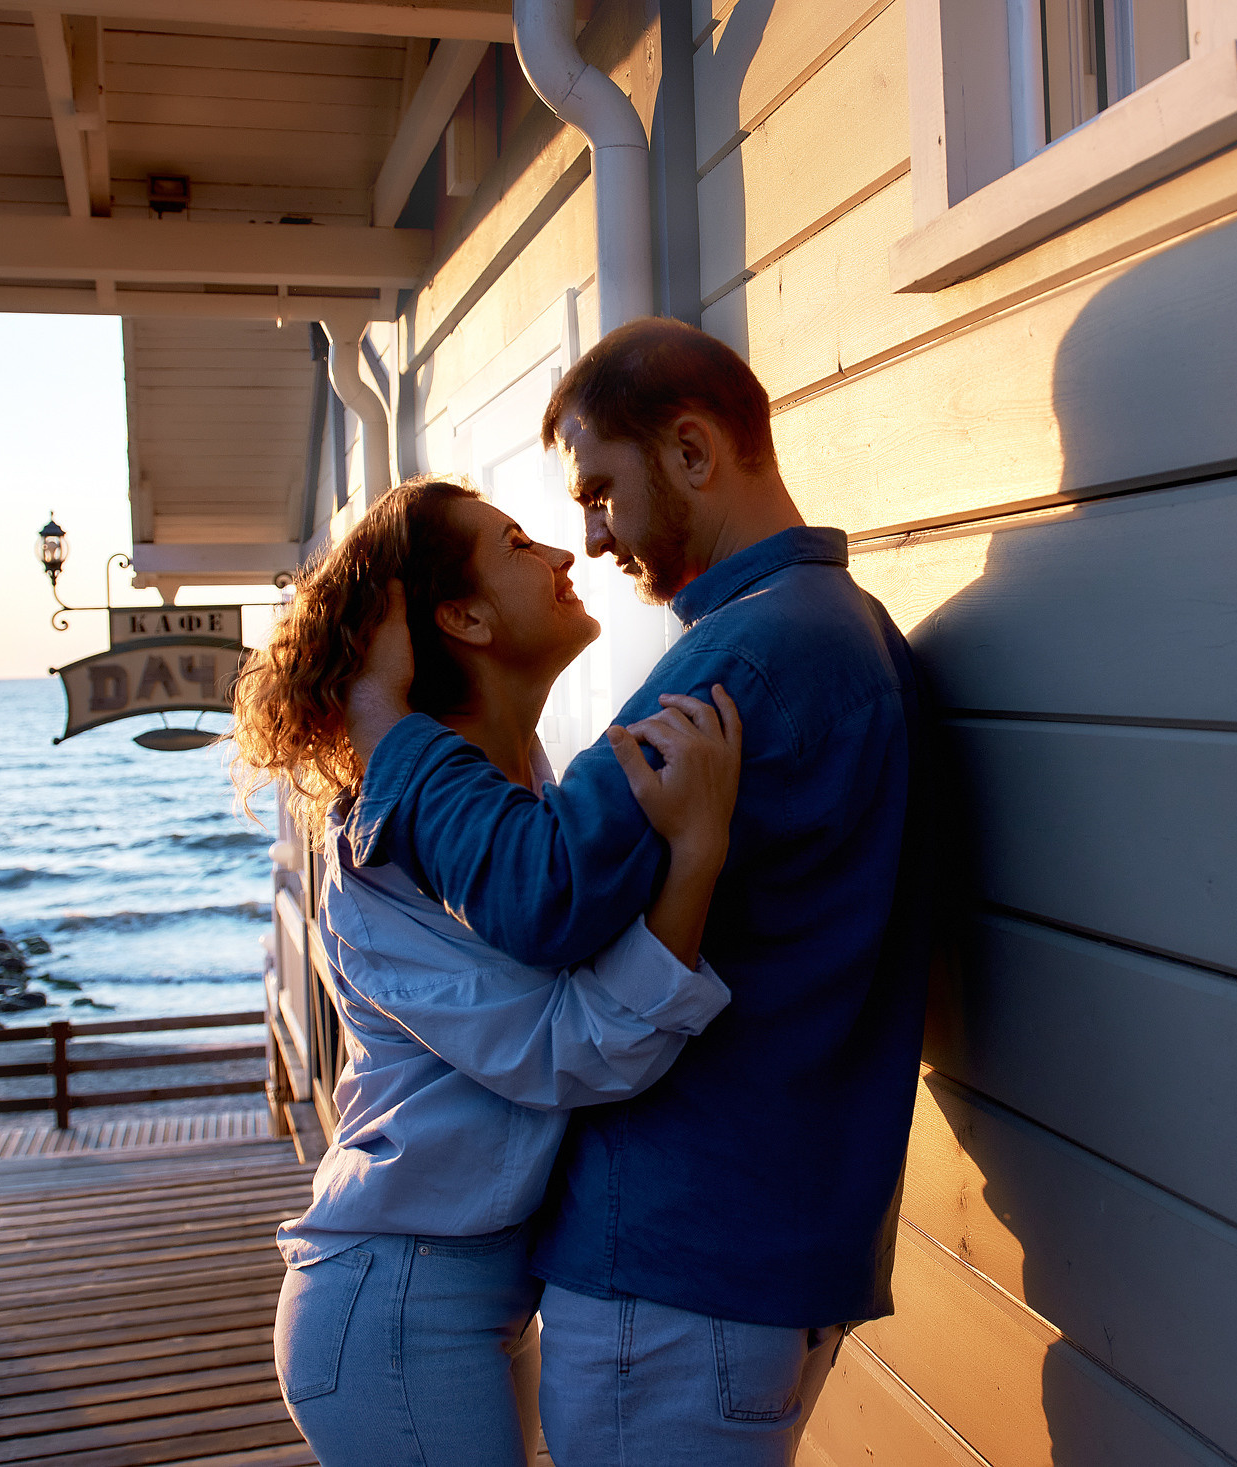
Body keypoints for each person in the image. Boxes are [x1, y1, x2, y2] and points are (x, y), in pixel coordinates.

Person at [340, 319, 929, 1465]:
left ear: (695, 454)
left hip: (685, 1259)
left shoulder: (744, 659)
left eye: (601, 493)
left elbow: (541, 889)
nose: (591, 537)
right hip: (766, 1244)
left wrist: (386, 731)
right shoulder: (839, 630)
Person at [231, 475, 747, 1466]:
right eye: (516, 544)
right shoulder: (374, 855)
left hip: (469, 1294)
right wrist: (693, 858)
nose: (561, 555)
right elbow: (567, 1051)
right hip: (395, 1306)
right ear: (462, 616)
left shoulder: (527, 802)